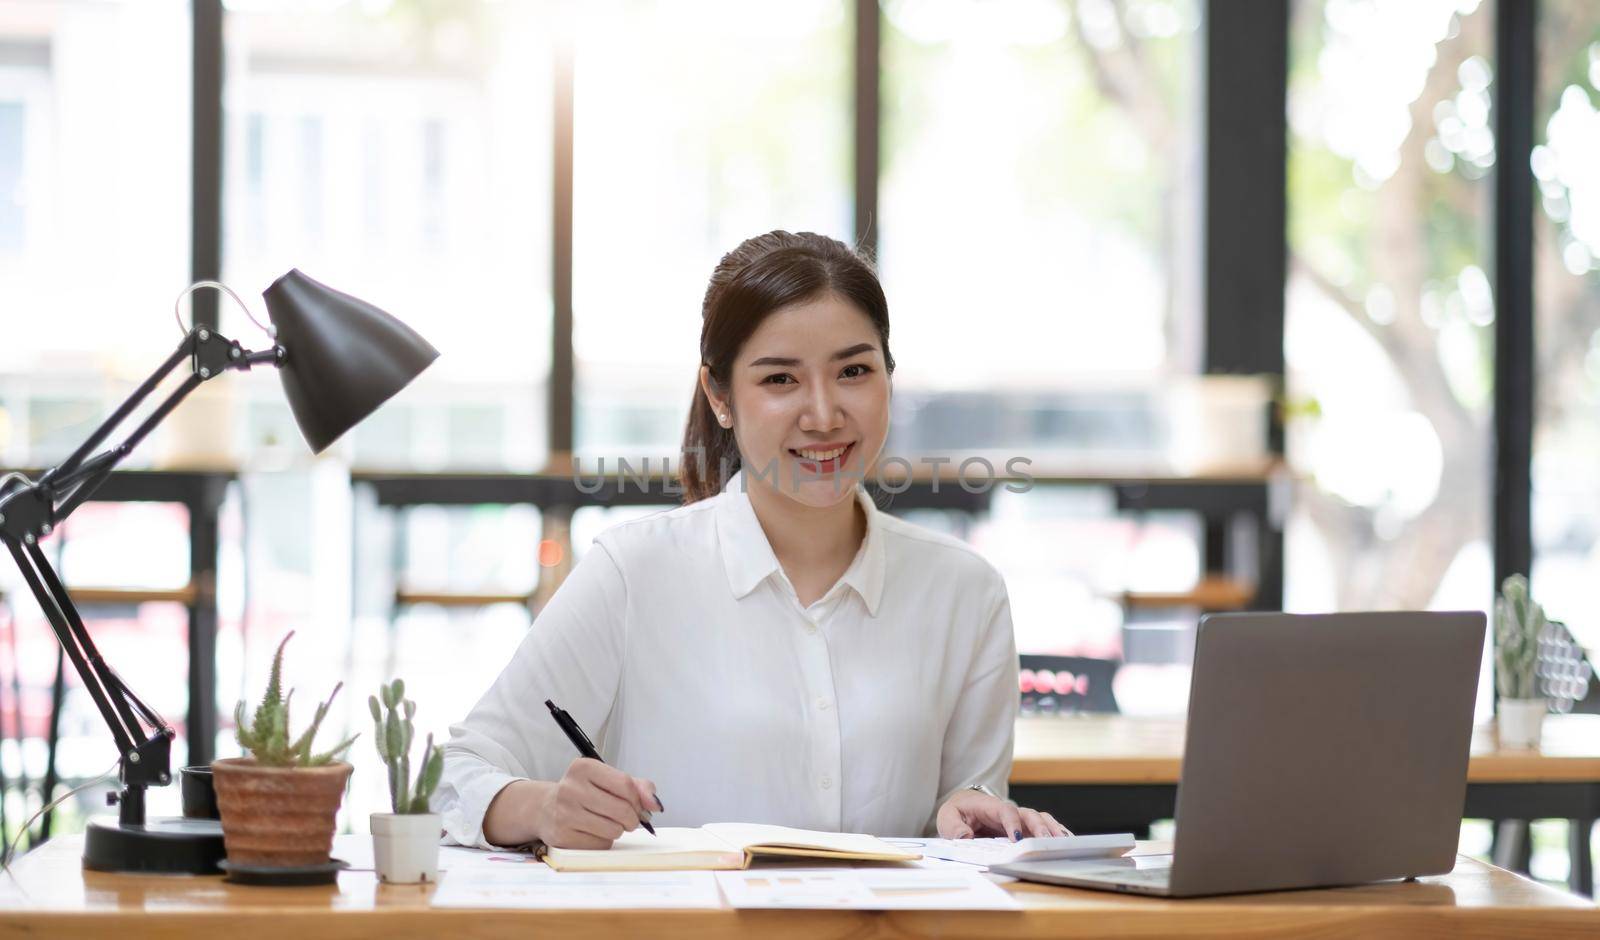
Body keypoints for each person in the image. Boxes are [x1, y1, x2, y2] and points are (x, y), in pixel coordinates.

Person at [438, 230, 1069, 850]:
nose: (823, 415)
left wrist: (970, 811)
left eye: (853, 370)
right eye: (780, 380)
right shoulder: (635, 573)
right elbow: (452, 776)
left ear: (888, 376)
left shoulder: (965, 591)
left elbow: (965, 817)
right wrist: (545, 807)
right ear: (720, 395)